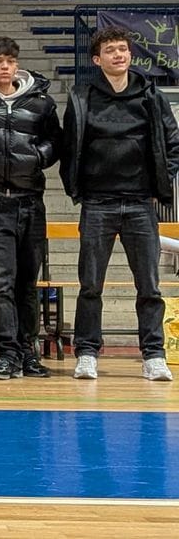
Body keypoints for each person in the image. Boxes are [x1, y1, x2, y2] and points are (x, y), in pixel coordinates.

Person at [60, 26, 179, 381]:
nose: (119, 55)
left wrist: (160, 176)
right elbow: (69, 146)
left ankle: (153, 354)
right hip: (97, 203)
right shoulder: (82, 96)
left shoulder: (150, 95)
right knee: (90, 284)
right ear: (97, 59)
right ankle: (86, 352)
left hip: (141, 203)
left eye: (123, 49)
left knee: (149, 285)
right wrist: (77, 188)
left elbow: (173, 141)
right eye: (111, 50)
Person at [0, 37, 61, 380]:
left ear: (17, 65)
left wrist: (37, 156)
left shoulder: (41, 102)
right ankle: (6, 353)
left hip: (32, 201)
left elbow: (56, 142)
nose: (5, 66)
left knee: (27, 285)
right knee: (1, 282)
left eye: (10, 61)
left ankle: (28, 352)